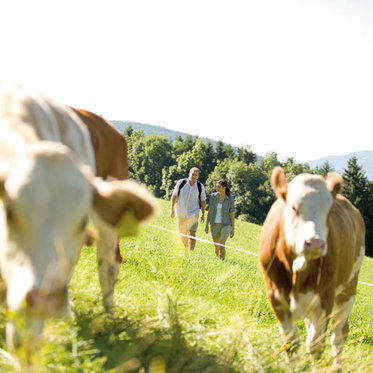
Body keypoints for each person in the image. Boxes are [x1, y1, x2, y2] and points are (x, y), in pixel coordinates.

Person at [170, 167, 206, 250]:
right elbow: (174, 195)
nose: (194, 176)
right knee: (182, 233)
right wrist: (172, 209)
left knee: (192, 233)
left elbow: (203, 201)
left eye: (196, 175)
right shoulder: (181, 183)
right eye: (193, 174)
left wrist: (203, 214)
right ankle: (186, 247)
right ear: (189, 174)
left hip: (193, 213)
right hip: (181, 211)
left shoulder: (200, 187)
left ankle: (191, 251)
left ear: (198, 177)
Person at [205, 179, 235, 260]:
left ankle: (223, 261)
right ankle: (219, 260)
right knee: (216, 245)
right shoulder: (213, 196)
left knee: (221, 244)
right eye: (216, 186)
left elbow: (232, 213)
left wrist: (233, 228)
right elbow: (210, 210)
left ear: (224, 187)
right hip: (214, 223)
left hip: (226, 224)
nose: (216, 187)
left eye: (219, 186)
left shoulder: (230, 198)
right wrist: (207, 224)